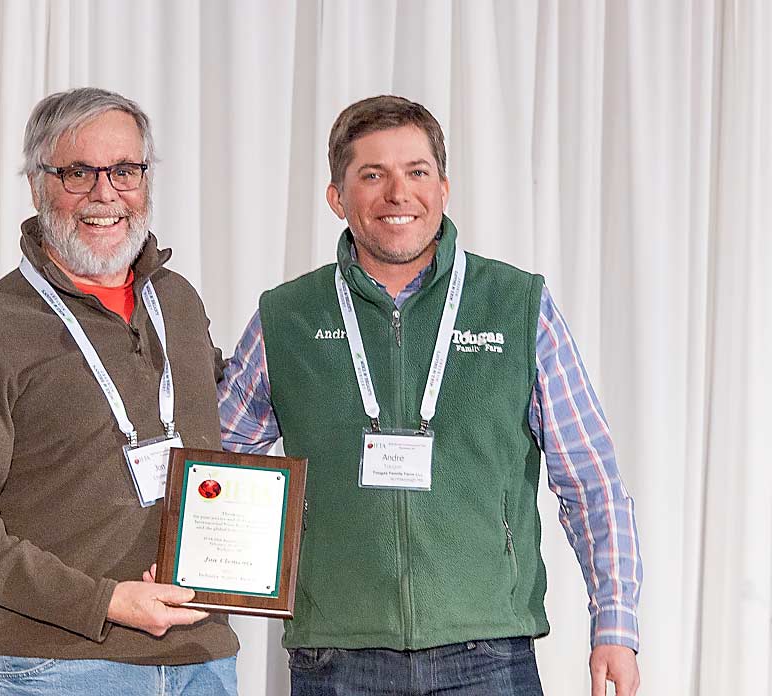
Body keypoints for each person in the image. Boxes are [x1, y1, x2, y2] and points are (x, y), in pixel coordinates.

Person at [219, 95, 642, 696]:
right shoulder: (285, 318)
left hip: (489, 655)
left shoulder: (518, 306)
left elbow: (593, 483)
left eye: (416, 172)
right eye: (373, 175)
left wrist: (615, 627)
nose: (398, 193)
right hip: (336, 658)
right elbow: (216, 463)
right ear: (337, 197)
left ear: (443, 188)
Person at [0, 88, 238, 696]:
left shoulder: (178, 302)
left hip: (205, 662)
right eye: (77, 172)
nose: (105, 192)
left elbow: (220, 427)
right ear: (39, 185)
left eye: (124, 170)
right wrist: (105, 601)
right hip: (62, 670)